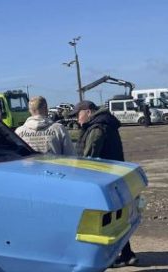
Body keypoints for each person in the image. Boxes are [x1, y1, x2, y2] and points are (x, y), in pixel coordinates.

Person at [69, 100, 137, 267]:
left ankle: (112, 256)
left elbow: (89, 158)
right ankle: (127, 254)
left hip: (101, 182)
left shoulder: (97, 128)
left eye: (78, 114)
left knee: (104, 222)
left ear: (89, 112)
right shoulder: (105, 124)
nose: (77, 119)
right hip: (113, 179)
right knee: (117, 220)